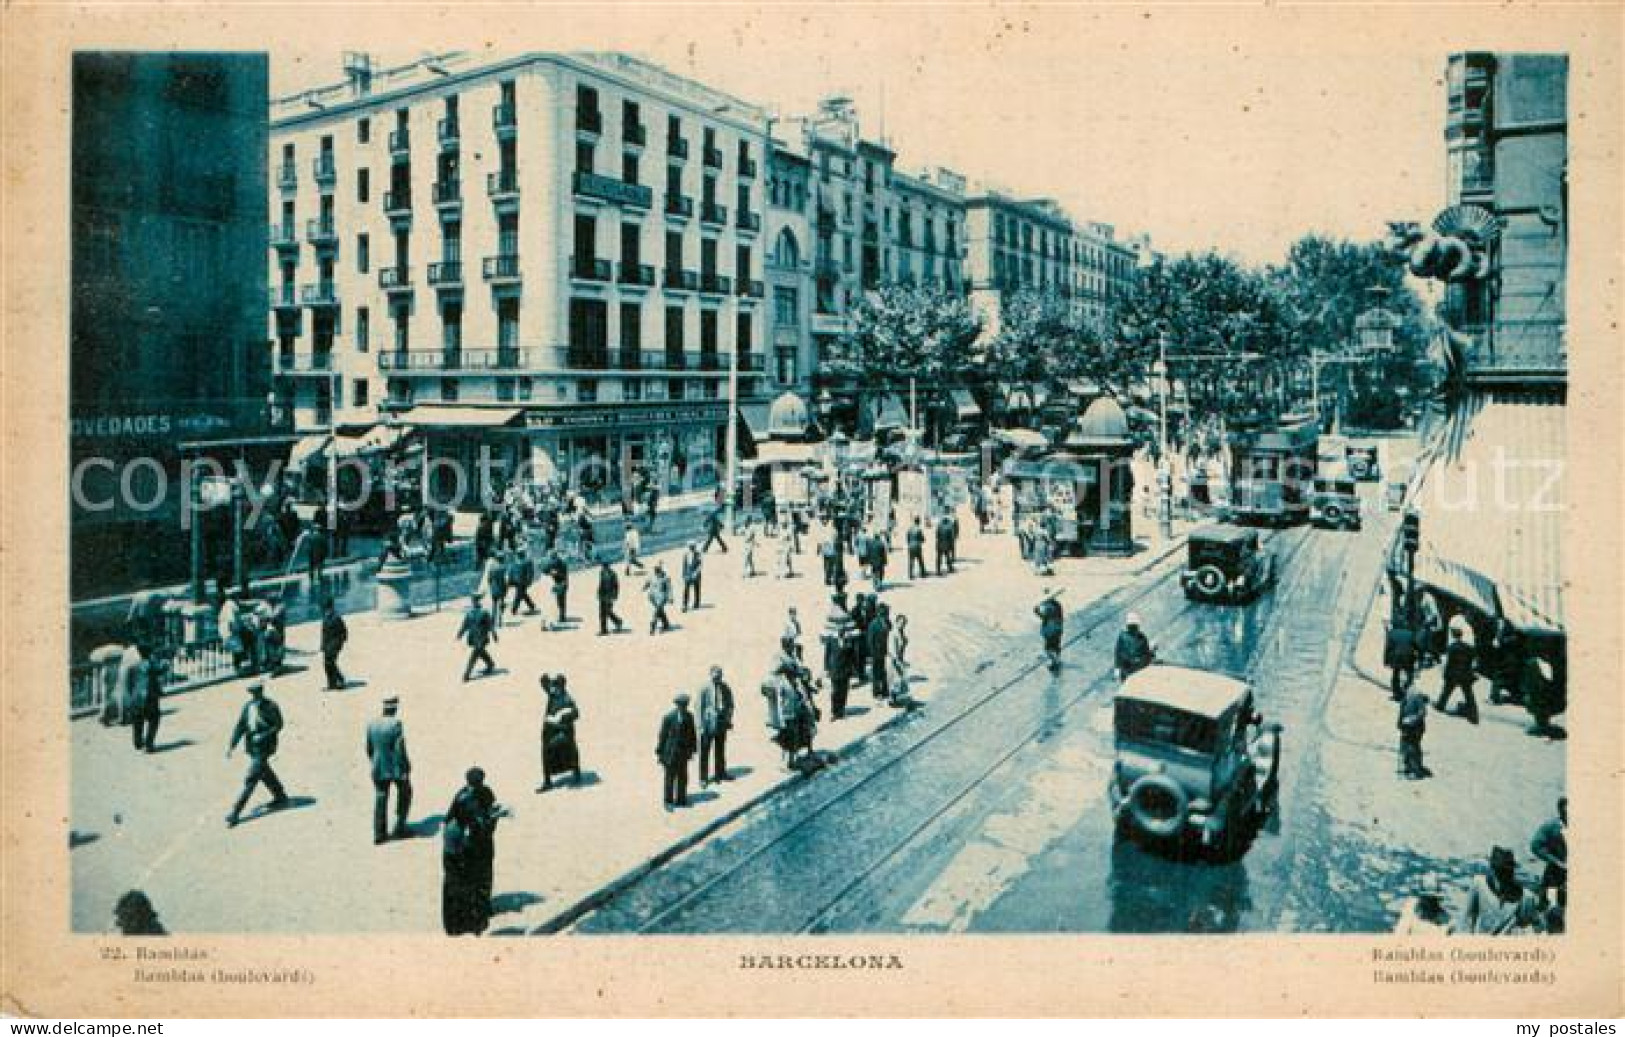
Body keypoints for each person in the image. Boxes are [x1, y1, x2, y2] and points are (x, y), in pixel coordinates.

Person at [442, 767, 506, 936]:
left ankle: (476, 911)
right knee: (477, 878)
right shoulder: (468, 798)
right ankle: (475, 915)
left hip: (471, 842)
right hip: (471, 844)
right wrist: (493, 817)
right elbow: (477, 822)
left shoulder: (468, 794)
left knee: (476, 878)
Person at [226, 681, 289, 827]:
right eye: (252, 692)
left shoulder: (271, 705)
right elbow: (241, 725)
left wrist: (263, 736)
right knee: (264, 772)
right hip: (252, 745)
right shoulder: (248, 706)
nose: (255, 694)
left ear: (262, 691)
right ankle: (280, 795)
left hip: (266, 746)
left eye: (257, 691)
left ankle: (236, 812)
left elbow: (278, 725)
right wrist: (232, 744)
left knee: (252, 778)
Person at [1461, 846, 1544, 934]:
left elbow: (1535, 927)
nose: (1505, 876)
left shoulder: (1526, 898)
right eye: (1501, 872)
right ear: (1493, 870)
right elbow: (1468, 918)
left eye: (1508, 871)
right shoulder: (1478, 884)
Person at [365, 696, 412, 844]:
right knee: (405, 793)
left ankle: (379, 833)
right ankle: (400, 827)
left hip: (378, 766)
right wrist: (405, 766)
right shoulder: (396, 724)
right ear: (395, 708)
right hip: (395, 767)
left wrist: (375, 761)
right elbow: (399, 748)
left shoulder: (372, 724)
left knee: (381, 797)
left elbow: (368, 748)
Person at [538, 675, 582, 791]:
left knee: (568, 753)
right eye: (553, 687)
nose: (554, 689)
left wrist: (564, 717)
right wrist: (544, 680)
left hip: (563, 732)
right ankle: (548, 781)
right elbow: (546, 687)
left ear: (562, 687)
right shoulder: (553, 694)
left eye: (556, 687)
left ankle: (575, 773)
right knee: (547, 754)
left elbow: (576, 713)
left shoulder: (567, 698)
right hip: (550, 732)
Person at [656, 692, 699, 809]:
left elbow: (692, 734)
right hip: (670, 753)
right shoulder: (668, 717)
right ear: (677, 705)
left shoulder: (689, 717)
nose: (684, 707)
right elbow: (662, 736)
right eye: (682, 705)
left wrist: (693, 749)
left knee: (683, 777)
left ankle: (681, 799)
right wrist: (659, 752)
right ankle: (668, 801)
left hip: (683, 753)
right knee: (670, 778)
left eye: (686, 705)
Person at [697, 666, 735, 785]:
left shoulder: (725, 688)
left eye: (719, 676)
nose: (717, 678)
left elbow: (730, 705)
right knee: (704, 752)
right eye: (715, 676)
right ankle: (703, 778)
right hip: (708, 725)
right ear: (710, 675)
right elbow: (699, 708)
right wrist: (701, 726)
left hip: (721, 724)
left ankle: (720, 773)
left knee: (720, 750)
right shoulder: (704, 688)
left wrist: (728, 719)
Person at [1435, 624, 1480, 724]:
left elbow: (1447, 662)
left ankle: (1440, 706)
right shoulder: (1469, 647)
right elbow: (1475, 663)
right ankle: (1474, 715)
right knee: (1469, 695)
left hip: (1453, 674)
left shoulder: (1451, 647)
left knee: (1446, 692)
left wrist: (1444, 673)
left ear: (1453, 635)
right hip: (1465, 674)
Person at [1529, 797, 1568, 911]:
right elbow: (1535, 845)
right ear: (1560, 812)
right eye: (1565, 813)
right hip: (1555, 875)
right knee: (1552, 907)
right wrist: (1555, 861)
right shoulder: (1551, 826)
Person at [822, 594, 855, 720]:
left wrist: (851, 669)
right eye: (839, 629)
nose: (841, 631)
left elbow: (851, 656)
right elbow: (826, 655)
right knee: (835, 692)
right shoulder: (832, 641)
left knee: (844, 692)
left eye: (843, 629)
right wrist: (826, 668)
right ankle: (835, 711)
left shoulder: (848, 642)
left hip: (845, 671)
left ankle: (841, 710)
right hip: (835, 670)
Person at [128, 643, 164, 753]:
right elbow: (163, 669)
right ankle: (149, 744)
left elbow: (130, 683)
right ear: (150, 653)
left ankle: (138, 742)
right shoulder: (152, 665)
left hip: (136, 697)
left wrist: (133, 694)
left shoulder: (133, 666)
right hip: (150, 697)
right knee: (154, 719)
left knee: (138, 720)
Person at [456, 593, 498, 682]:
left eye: (474, 601)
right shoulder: (482, 612)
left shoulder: (472, 613)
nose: (474, 603)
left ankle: (466, 675)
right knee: (480, 651)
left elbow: (464, 626)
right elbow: (490, 625)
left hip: (477, 637)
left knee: (474, 655)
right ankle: (490, 664)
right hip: (479, 637)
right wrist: (494, 635)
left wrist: (460, 634)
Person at [1522, 652, 1563, 737]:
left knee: (1540, 706)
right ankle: (1542, 725)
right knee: (1537, 705)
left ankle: (1542, 725)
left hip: (1542, 693)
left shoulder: (1542, 664)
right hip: (1537, 692)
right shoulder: (1533, 663)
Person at [1398, 679, 1431, 779]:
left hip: (1416, 728)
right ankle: (1409, 767)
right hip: (1407, 727)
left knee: (1413, 747)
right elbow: (1401, 713)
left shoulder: (1417, 697)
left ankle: (1416, 769)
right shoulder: (1405, 699)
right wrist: (1400, 723)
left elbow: (1422, 712)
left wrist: (1412, 719)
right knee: (1405, 746)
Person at [1383, 621, 1419, 702]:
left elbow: (1388, 648)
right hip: (1409, 657)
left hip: (1396, 658)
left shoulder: (1391, 633)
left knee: (1396, 675)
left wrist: (1386, 661)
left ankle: (1397, 694)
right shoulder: (1411, 633)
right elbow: (1416, 646)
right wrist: (1417, 657)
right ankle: (1406, 689)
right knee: (1409, 675)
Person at [1114, 613, 1156, 680]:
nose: (1134, 628)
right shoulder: (1125, 637)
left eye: (1134, 626)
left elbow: (1118, 653)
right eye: (1132, 626)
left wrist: (1151, 651)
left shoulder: (1141, 637)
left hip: (1135, 672)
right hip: (1131, 671)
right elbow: (1118, 653)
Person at [320, 599, 349, 691]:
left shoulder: (336, 618)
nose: (326, 611)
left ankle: (339, 680)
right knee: (327, 663)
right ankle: (332, 683)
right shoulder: (325, 617)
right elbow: (324, 633)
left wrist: (337, 644)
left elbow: (344, 633)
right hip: (327, 645)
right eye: (324, 609)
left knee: (330, 662)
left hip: (335, 644)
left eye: (327, 609)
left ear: (331, 608)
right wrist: (322, 645)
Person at [867, 602, 893, 702]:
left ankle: (885, 690)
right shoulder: (873, 624)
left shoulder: (887, 622)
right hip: (876, 652)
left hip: (884, 651)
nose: (886, 614)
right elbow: (870, 640)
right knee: (876, 673)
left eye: (886, 612)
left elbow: (889, 631)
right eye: (884, 613)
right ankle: (876, 692)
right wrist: (872, 653)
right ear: (879, 613)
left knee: (884, 672)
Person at [1035, 589, 1065, 673]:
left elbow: (1047, 617)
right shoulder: (1054, 607)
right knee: (1053, 648)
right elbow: (1046, 617)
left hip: (1052, 631)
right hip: (1053, 631)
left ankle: (1055, 664)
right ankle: (1056, 663)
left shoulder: (1052, 608)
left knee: (1050, 648)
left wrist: (1038, 612)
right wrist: (1038, 612)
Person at [595, 558, 625, 636]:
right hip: (603, 595)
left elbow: (616, 586)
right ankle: (604, 630)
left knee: (607, 611)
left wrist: (614, 596)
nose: (604, 568)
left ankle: (617, 622)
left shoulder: (613, 574)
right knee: (602, 613)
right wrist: (598, 593)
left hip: (610, 596)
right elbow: (601, 584)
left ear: (608, 566)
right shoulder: (601, 573)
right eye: (603, 566)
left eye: (605, 566)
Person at [889, 613, 913, 706]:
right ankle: (893, 700)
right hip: (894, 660)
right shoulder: (893, 633)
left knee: (900, 681)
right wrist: (897, 660)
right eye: (901, 623)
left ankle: (899, 699)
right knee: (895, 681)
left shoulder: (900, 632)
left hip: (900, 658)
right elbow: (892, 649)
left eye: (904, 623)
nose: (902, 625)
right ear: (896, 622)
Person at [645, 562, 674, 634]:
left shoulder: (666, 578)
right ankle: (666, 623)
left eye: (658, 570)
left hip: (662, 597)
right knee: (660, 610)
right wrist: (645, 587)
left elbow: (669, 588)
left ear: (661, 570)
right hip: (653, 597)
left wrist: (670, 597)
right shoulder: (652, 576)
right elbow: (648, 582)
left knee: (657, 611)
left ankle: (653, 626)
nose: (657, 572)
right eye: (655, 570)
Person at [509, 544, 539, 616]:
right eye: (518, 553)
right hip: (516, 581)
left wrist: (529, 581)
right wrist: (511, 580)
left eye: (519, 553)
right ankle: (531, 605)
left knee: (518, 595)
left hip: (523, 581)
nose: (518, 555)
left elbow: (530, 572)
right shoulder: (515, 562)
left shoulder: (527, 561)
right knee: (522, 594)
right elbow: (512, 571)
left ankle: (514, 609)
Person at [544, 549, 570, 629]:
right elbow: (545, 570)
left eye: (551, 556)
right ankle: (562, 616)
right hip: (560, 583)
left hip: (561, 583)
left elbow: (563, 575)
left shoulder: (559, 563)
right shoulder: (555, 563)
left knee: (560, 601)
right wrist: (550, 572)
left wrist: (555, 573)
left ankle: (561, 617)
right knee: (560, 601)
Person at [681, 542, 704, 612]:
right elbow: (684, 565)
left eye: (692, 546)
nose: (691, 548)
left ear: (694, 547)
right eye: (690, 547)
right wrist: (683, 574)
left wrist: (696, 573)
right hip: (688, 574)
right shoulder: (686, 555)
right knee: (686, 589)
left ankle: (696, 603)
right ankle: (685, 604)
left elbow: (700, 565)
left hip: (696, 574)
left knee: (696, 589)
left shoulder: (698, 554)